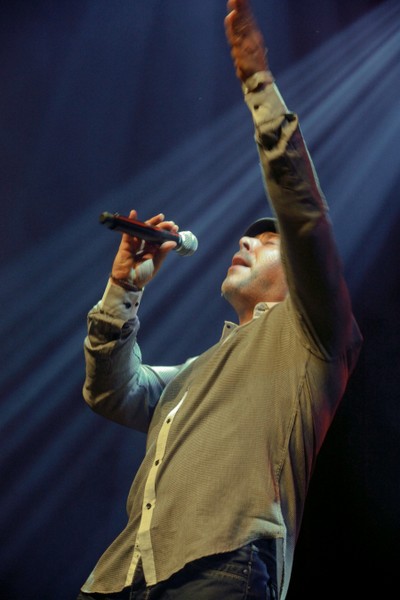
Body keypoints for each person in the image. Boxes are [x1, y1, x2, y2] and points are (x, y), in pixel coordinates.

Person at [78, 1, 362, 598]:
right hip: (122, 578)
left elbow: (304, 215)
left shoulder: (317, 334)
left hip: (219, 567)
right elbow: (110, 390)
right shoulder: (193, 373)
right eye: (246, 237)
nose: (245, 241)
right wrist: (124, 288)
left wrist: (258, 84)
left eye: (267, 241)